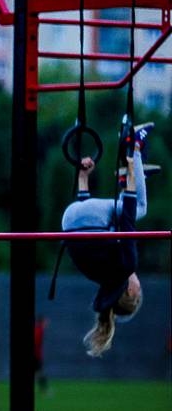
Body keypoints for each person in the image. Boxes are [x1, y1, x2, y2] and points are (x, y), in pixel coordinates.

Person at [61, 123, 155, 356]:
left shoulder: (126, 265)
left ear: (131, 292)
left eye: (139, 289)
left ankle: (134, 143)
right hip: (69, 219)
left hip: (90, 219)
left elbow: (129, 219)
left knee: (139, 208)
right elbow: (82, 234)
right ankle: (127, 178)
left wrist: (132, 164)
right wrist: (83, 177)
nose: (139, 283)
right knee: (114, 225)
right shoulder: (99, 274)